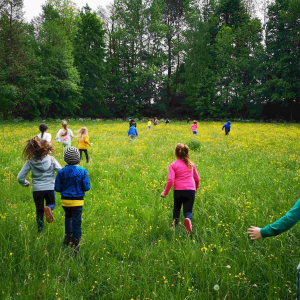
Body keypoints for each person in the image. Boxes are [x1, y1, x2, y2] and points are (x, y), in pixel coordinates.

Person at [17, 137, 61, 232]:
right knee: (52, 203)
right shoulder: (51, 159)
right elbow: (60, 171)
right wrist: (58, 182)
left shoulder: (30, 162)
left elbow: (20, 177)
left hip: (37, 190)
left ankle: (40, 230)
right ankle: (49, 208)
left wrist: (26, 183)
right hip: (50, 187)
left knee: (39, 211)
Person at [55, 147, 90, 254]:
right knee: (77, 222)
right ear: (78, 158)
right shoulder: (82, 171)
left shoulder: (61, 172)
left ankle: (68, 237)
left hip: (65, 201)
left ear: (65, 159)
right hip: (78, 201)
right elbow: (86, 187)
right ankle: (75, 245)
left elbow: (57, 188)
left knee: (68, 217)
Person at [160, 143, 200, 236]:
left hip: (178, 190)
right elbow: (197, 179)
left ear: (175, 153)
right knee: (188, 211)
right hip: (191, 190)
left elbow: (170, 180)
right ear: (187, 153)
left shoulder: (173, 165)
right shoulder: (191, 165)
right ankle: (188, 220)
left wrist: (165, 193)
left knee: (177, 208)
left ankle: (175, 225)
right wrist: (195, 189)